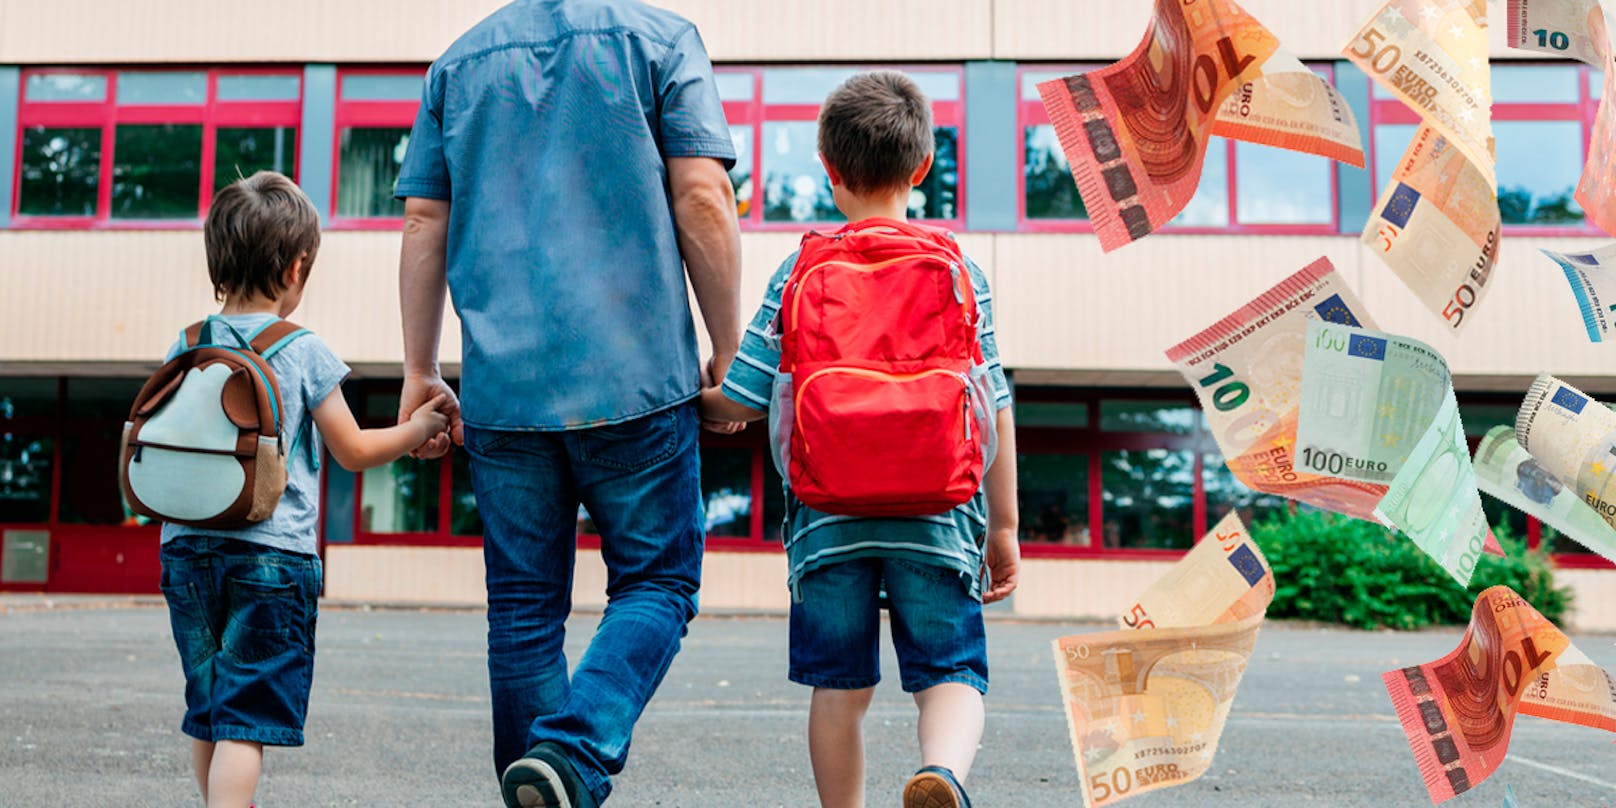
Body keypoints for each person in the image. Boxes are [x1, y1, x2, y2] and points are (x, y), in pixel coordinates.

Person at [391, 1, 743, 806]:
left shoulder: (458, 61)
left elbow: (422, 220)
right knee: (657, 584)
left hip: (504, 393)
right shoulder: (661, 42)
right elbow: (701, 197)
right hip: (637, 379)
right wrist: (729, 351)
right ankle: (574, 756)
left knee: (522, 608)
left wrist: (419, 368)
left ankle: (539, 785)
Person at [698, 71, 1021, 808]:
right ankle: (940, 772)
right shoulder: (961, 270)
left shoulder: (801, 268)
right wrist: (1003, 527)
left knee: (838, 688)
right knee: (951, 673)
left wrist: (686, 398)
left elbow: (742, 400)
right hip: (941, 516)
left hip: (826, 518)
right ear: (923, 168)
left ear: (830, 172)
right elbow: (992, 404)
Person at [158, 171, 450, 808]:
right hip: (271, 556)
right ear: (296, 267)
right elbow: (353, 449)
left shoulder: (185, 344)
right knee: (247, 716)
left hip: (184, 550)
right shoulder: (301, 349)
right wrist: (418, 427)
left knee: (208, 705)